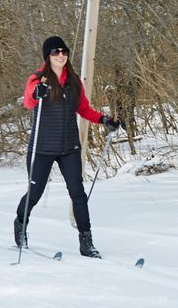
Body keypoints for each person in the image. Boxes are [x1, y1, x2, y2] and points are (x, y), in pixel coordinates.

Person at [15, 36, 122, 258]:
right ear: (48, 56)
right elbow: (28, 102)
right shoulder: (38, 79)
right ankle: (20, 224)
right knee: (35, 193)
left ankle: (86, 241)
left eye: (64, 52)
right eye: (56, 52)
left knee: (78, 193)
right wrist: (37, 94)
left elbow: (84, 109)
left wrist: (103, 120)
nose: (61, 56)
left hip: (69, 147)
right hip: (42, 147)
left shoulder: (73, 81)